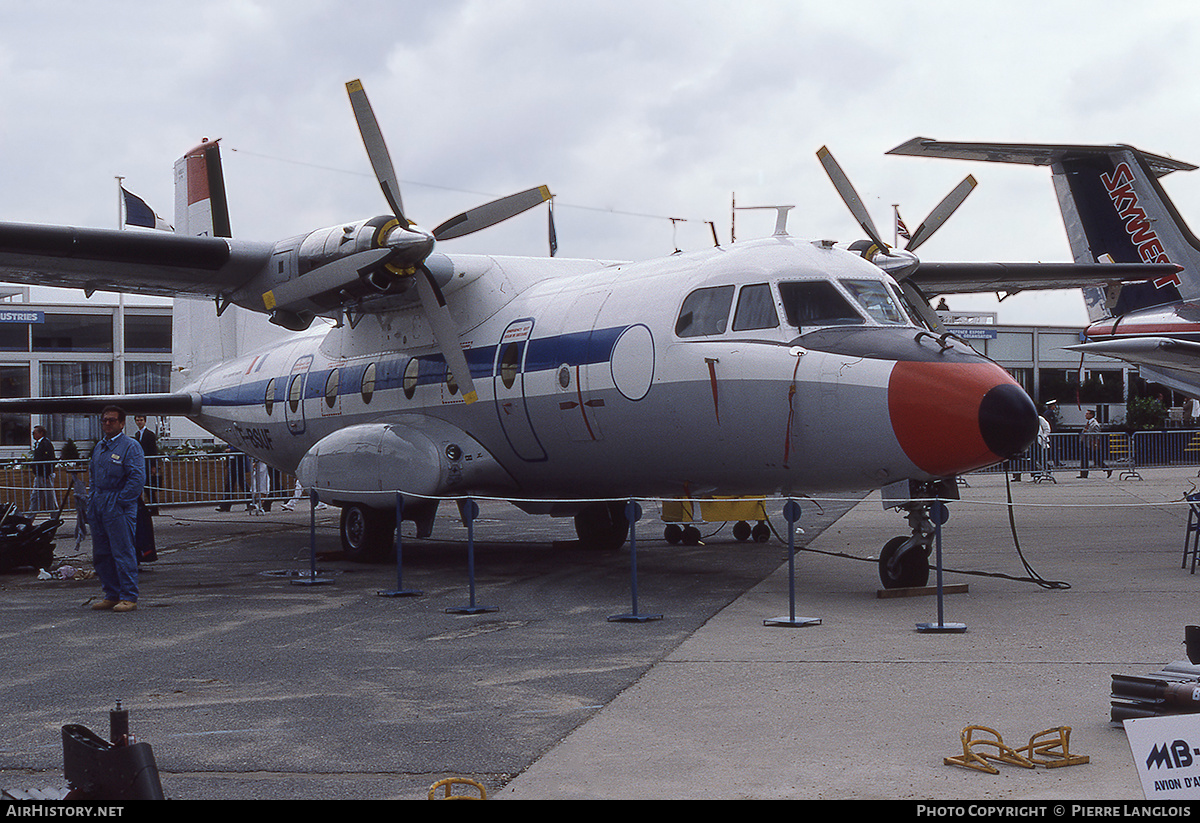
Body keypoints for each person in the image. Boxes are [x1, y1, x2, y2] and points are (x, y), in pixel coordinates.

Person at [88, 406, 145, 613]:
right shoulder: (99, 447)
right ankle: (111, 594)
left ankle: (129, 596)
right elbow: (93, 475)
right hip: (99, 503)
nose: (107, 423)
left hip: (118, 504)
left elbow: (137, 479)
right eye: (104, 420)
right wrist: (92, 500)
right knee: (102, 553)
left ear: (122, 423)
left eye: (112, 420)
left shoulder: (131, 446)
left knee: (122, 551)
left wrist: (120, 501)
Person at [133, 415, 159, 515]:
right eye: (137, 420)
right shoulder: (137, 434)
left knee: (148, 487)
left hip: (147, 464)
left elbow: (153, 450)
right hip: (140, 464)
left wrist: (153, 465)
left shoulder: (150, 434)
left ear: (145, 421)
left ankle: (154, 509)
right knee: (140, 486)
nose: (139, 422)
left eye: (141, 420)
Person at [29, 425, 56, 514]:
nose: (33, 435)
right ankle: (30, 517)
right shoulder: (38, 444)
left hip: (44, 475)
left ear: (41, 433)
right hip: (39, 474)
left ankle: (54, 516)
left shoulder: (45, 444)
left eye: (34, 433)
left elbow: (49, 459)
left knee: (49, 496)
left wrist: (47, 474)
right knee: (36, 496)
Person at [1079, 409, 1111, 479]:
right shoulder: (1089, 423)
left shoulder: (1095, 424)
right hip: (1086, 442)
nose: (1085, 415)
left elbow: (1097, 434)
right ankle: (1083, 474)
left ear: (1091, 415)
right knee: (1084, 458)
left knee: (1096, 459)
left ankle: (1107, 468)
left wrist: (1088, 434)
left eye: (1087, 414)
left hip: (1092, 443)